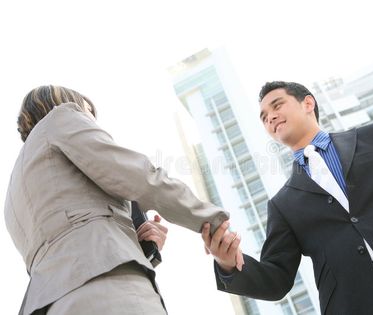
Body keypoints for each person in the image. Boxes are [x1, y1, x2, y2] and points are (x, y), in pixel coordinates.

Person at [202, 81, 373, 314]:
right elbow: (277, 279)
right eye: (263, 117)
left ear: (308, 103)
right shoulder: (282, 205)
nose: (270, 117)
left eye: (277, 105)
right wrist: (228, 264)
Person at [4, 85, 237, 315]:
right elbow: (142, 179)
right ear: (66, 101)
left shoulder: (13, 192)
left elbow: (67, 242)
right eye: (89, 114)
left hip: (47, 304)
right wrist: (212, 222)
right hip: (108, 291)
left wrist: (132, 242)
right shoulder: (63, 117)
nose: (92, 124)